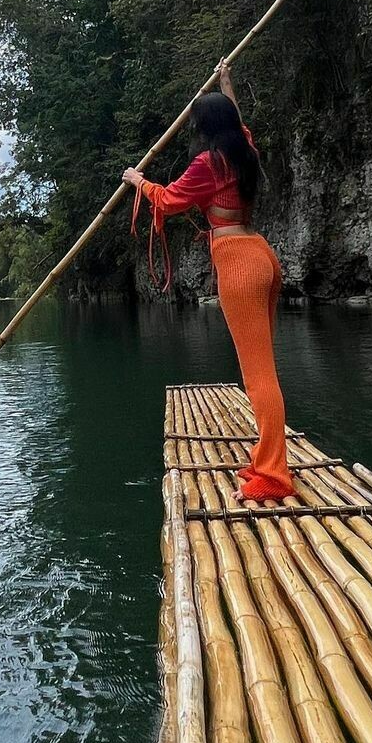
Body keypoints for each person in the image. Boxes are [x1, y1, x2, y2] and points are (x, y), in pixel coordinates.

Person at [123, 60, 293, 503]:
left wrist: (139, 182)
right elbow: (242, 125)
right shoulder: (244, 152)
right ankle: (267, 458)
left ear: (205, 127)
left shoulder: (208, 163)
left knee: (259, 375)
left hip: (239, 263)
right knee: (263, 368)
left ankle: (273, 475)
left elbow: (169, 200)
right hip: (261, 254)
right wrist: (227, 83)